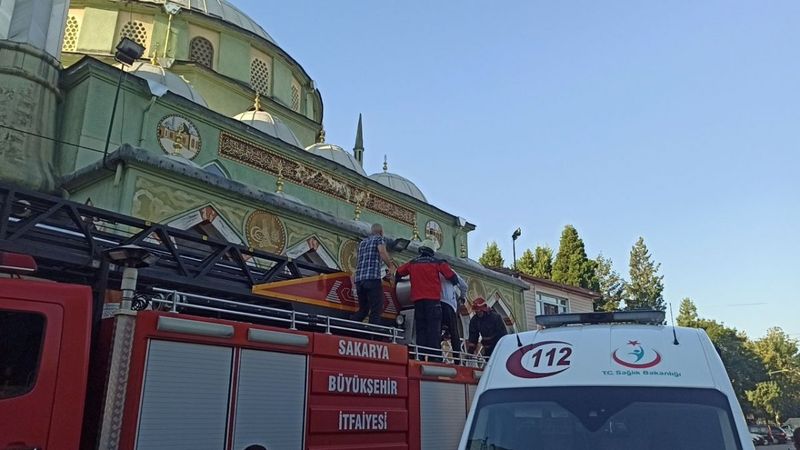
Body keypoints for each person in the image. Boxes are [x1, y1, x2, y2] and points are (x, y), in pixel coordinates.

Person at [396, 239, 458, 361]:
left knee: (421, 330)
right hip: (433, 302)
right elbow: (452, 277)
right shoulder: (438, 262)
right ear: (432, 251)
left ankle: (421, 356)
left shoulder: (412, 263)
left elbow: (398, 273)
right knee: (434, 331)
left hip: (418, 303)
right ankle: (435, 359)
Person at [351, 223, 396, 324]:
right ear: (381, 232)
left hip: (359, 281)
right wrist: (390, 266)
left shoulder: (362, 243)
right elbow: (382, 252)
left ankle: (350, 325)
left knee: (363, 310)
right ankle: (373, 334)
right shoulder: (379, 239)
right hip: (372, 279)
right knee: (376, 308)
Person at [440, 270, 468, 364]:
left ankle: (437, 357)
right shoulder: (450, 271)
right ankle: (457, 360)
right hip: (448, 304)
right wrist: (462, 297)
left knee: (435, 332)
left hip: (434, 303)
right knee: (454, 333)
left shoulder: (433, 269)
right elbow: (464, 286)